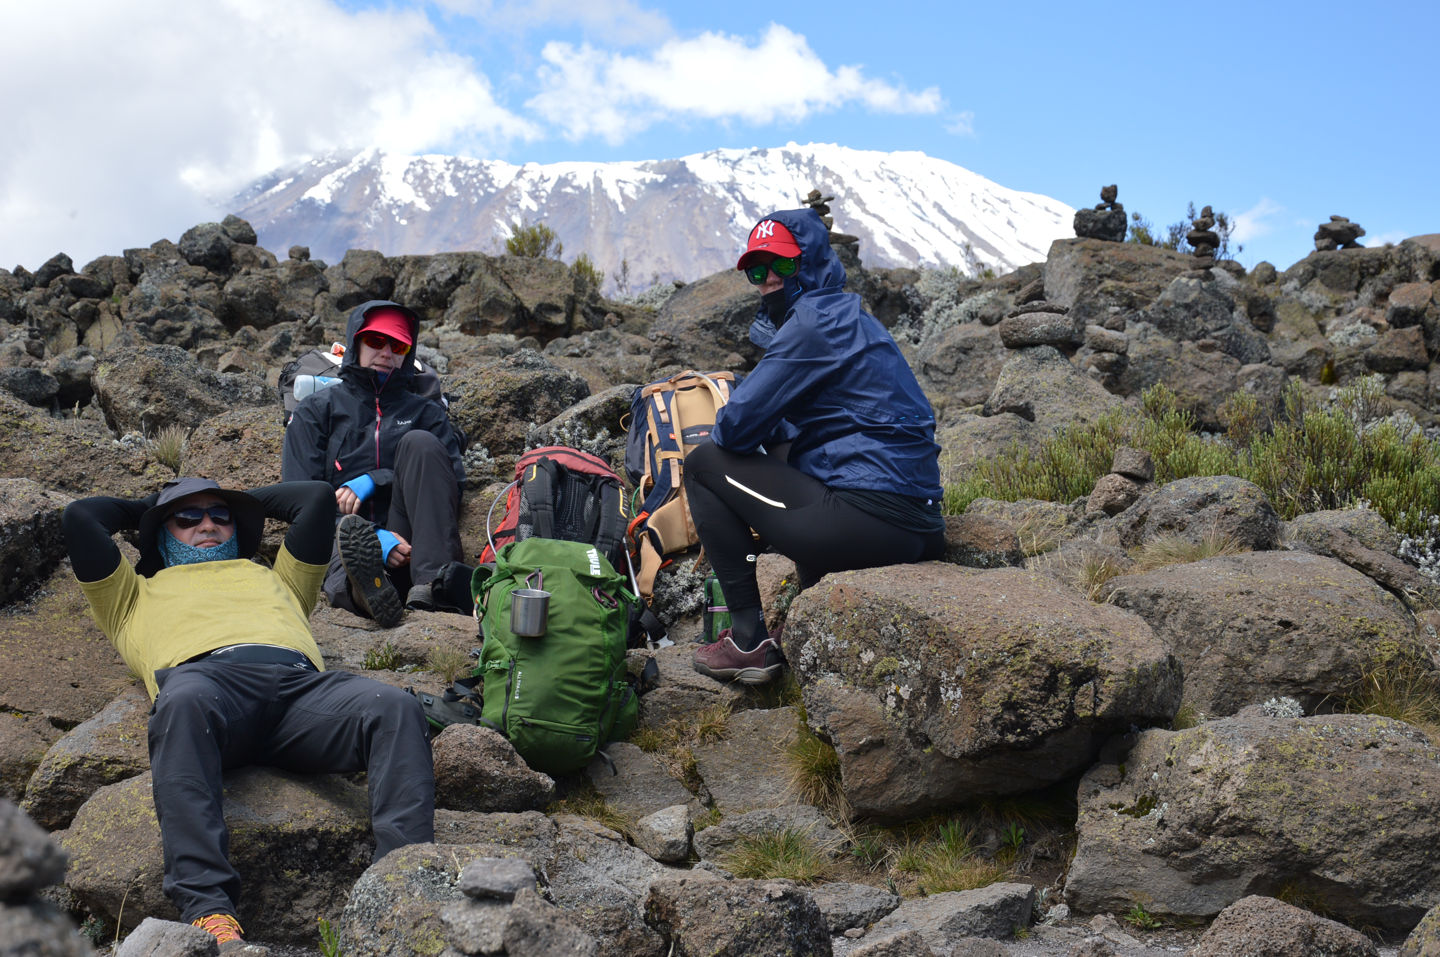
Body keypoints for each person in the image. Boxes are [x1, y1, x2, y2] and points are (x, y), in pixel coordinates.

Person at [62, 476, 435, 951]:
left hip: (302, 693)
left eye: (221, 516)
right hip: (210, 689)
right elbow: (80, 517)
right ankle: (209, 911)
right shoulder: (130, 594)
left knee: (395, 705)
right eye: (188, 517)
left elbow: (315, 499)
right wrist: (152, 507)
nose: (208, 525)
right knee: (181, 700)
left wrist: (228, 503)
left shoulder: (277, 577)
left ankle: (403, 885)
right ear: (159, 532)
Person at [686, 208, 946, 685]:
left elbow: (734, 430)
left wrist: (752, 410)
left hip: (872, 521)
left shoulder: (812, 323)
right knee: (790, 458)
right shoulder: (852, 317)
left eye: (781, 266)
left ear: (809, 264)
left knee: (704, 464)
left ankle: (747, 640)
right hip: (920, 524)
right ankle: (812, 606)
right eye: (756, 270)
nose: (767, 280)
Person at [281, 300, 466, 627]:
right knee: (349, 553)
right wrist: (371, 538)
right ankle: (366, 592)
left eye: (398, 345)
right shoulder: (316, 410)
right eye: (376, 341)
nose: (386, 352)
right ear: (356, 343)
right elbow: (298, 499)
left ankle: (435, 588)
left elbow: (451, 481)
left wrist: (377, 479)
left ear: (408, 353)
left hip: (413, 540)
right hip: (341, 540)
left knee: (421, 443)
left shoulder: (426, 413)